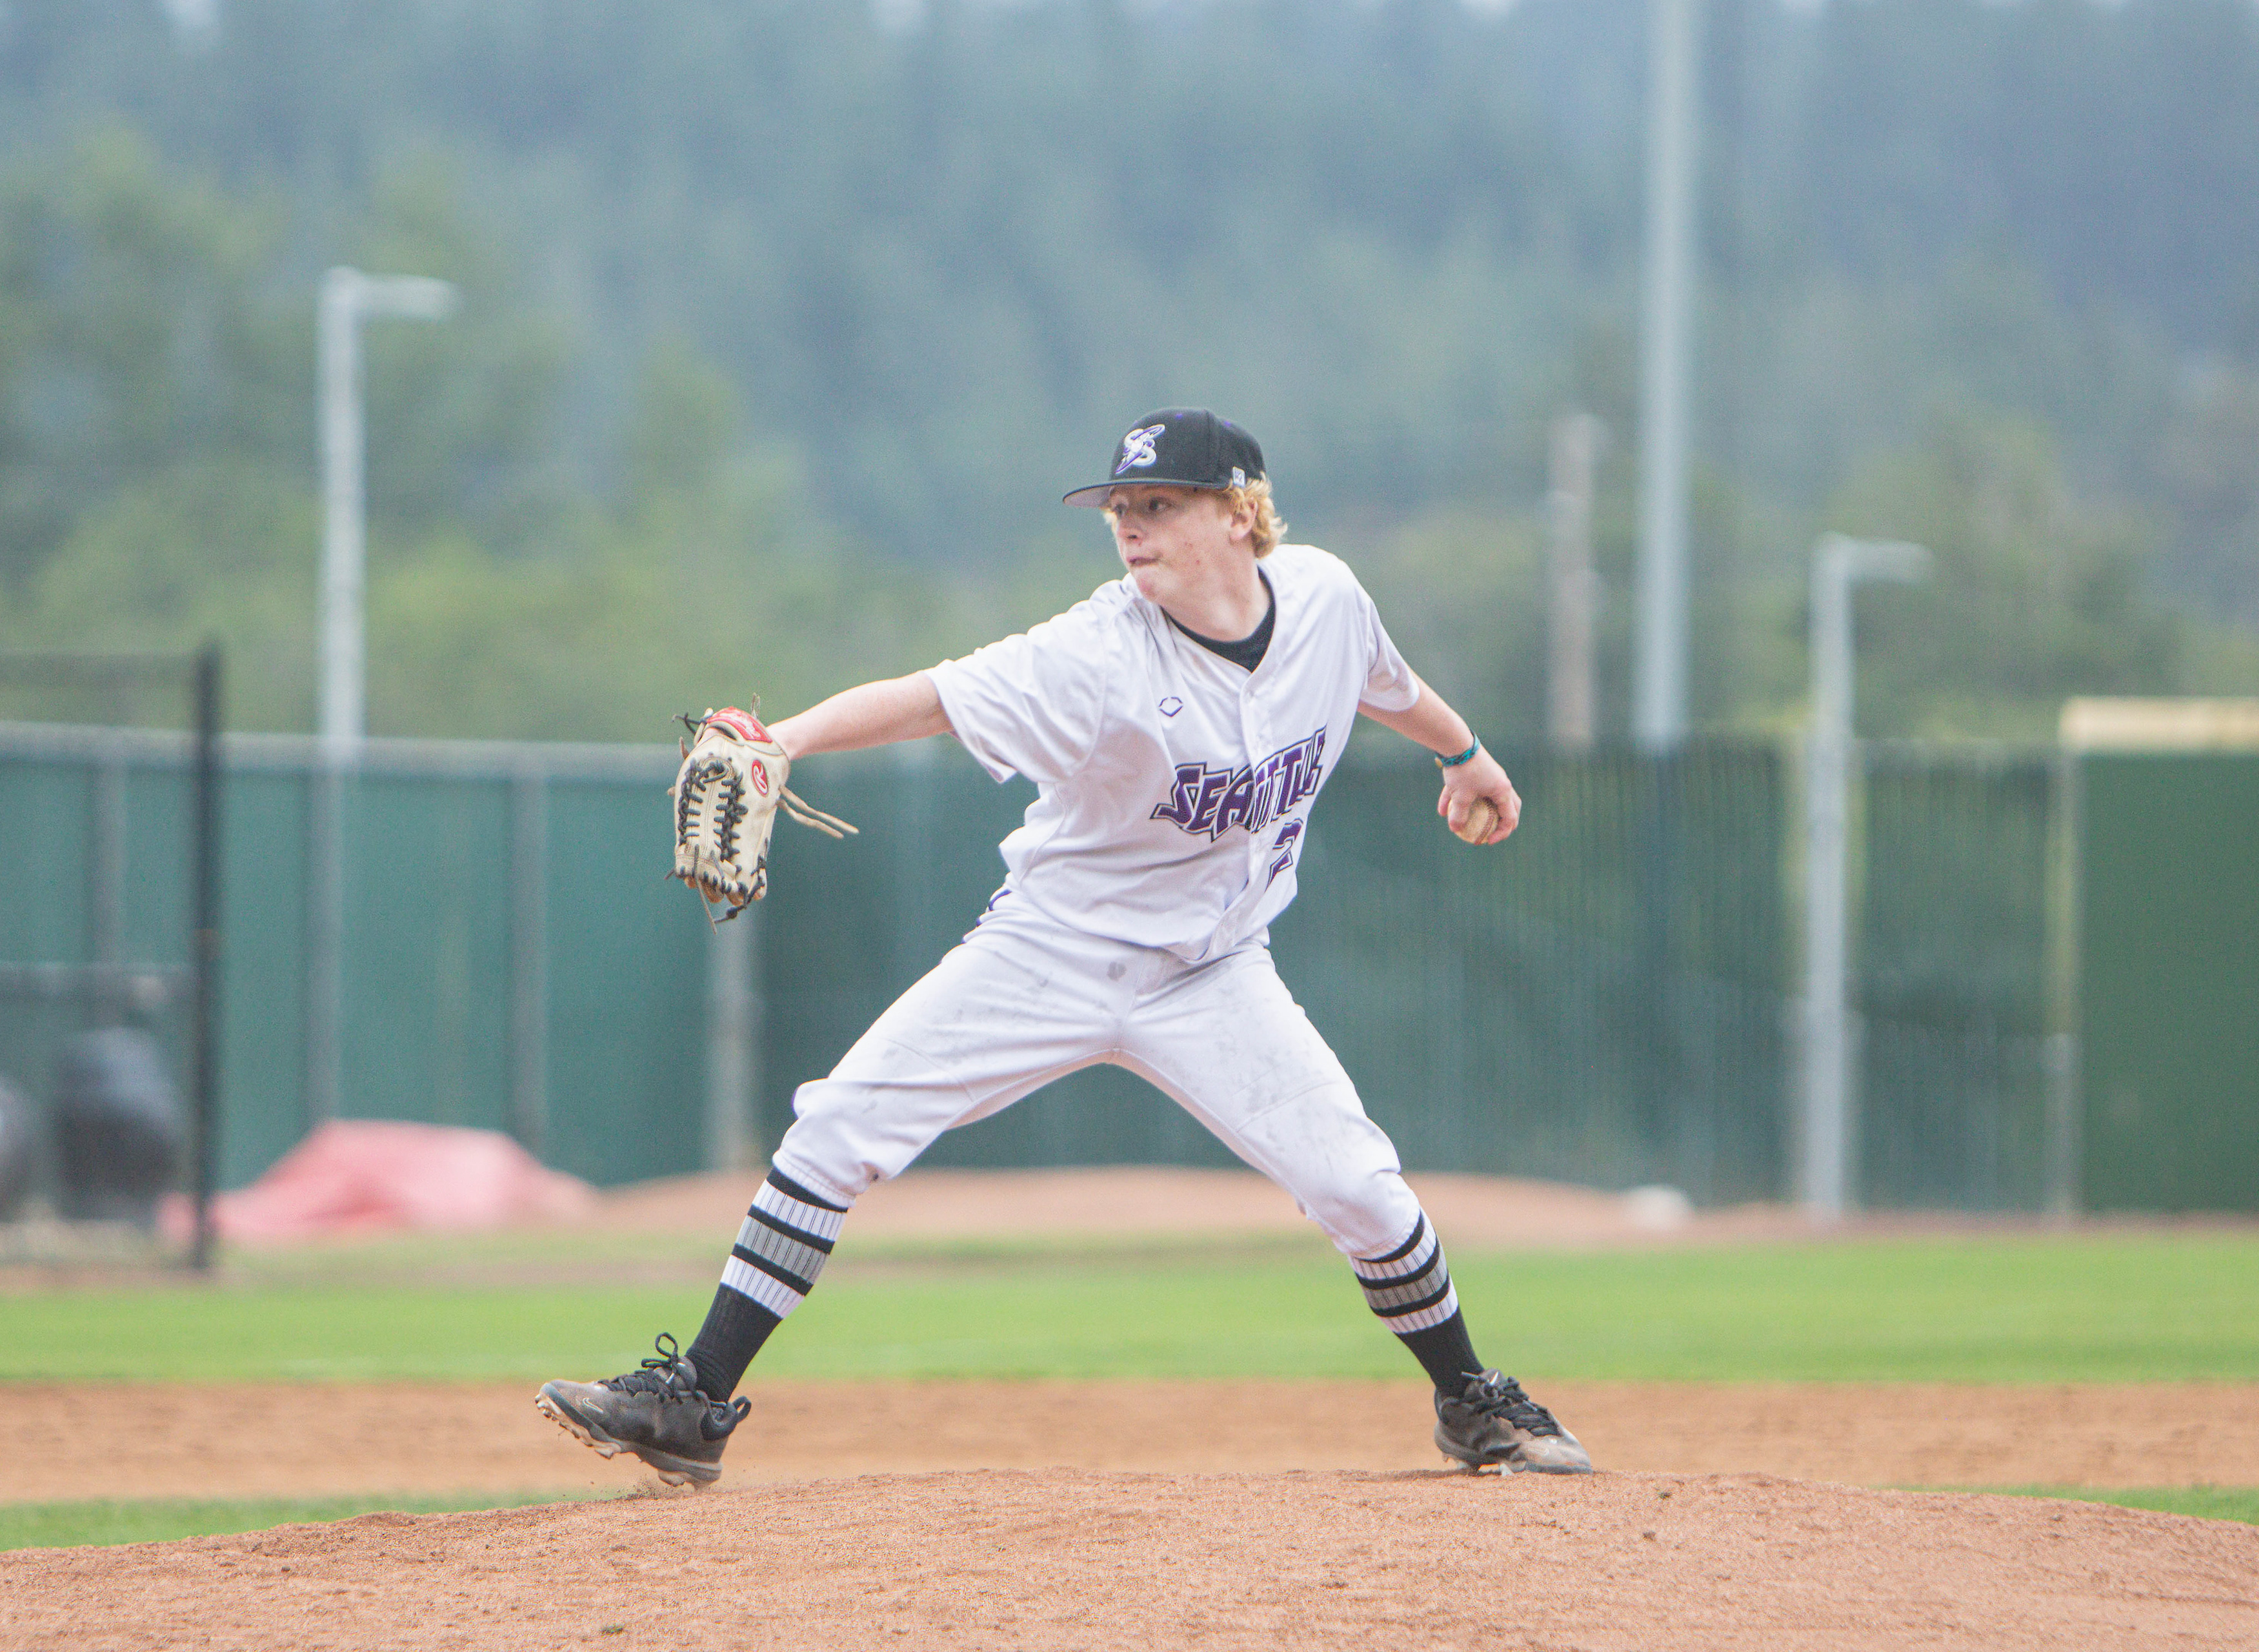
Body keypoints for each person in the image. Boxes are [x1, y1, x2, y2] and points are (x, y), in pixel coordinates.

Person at [537, 408, 1591, 1485]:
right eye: (1120, 507)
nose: (1130, 526)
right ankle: (694, 1400)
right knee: (839, 1126)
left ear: (1240, 514)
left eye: (1159, 505)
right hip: (1053, 951)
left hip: (1217, 971)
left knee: (1359, 1186)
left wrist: (1465, 755)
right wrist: (787, 739)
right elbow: (932, 700)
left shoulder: (1326, 598)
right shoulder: (1096, 651)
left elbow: (1388, 683)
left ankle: (1471, 1402)